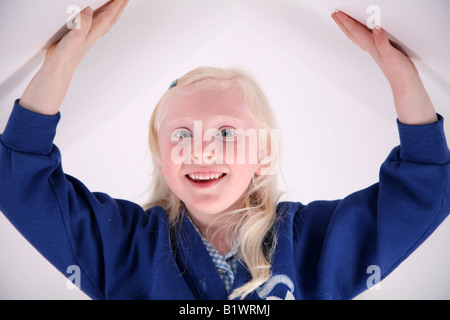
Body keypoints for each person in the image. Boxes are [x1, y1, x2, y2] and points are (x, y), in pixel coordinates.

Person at [0, 1, 449, 300]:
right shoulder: (126, 246)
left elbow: (421, 191)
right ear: (160, 153)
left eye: (227, 134)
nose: (203, 151)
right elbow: (23, 184)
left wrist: (403, 79)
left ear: (263, 153)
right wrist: (60, 63)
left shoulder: (309, 243)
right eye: (181, 135)